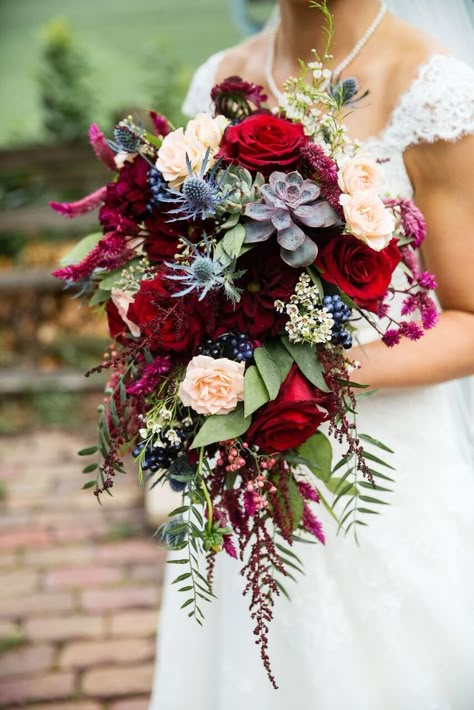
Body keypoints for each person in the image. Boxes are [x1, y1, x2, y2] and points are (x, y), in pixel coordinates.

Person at [150, 2, 474, 708]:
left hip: (381, 473)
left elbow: (471, 319)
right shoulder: (218, 81)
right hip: (243, 474)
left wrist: (300, 367)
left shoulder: (428, 87)